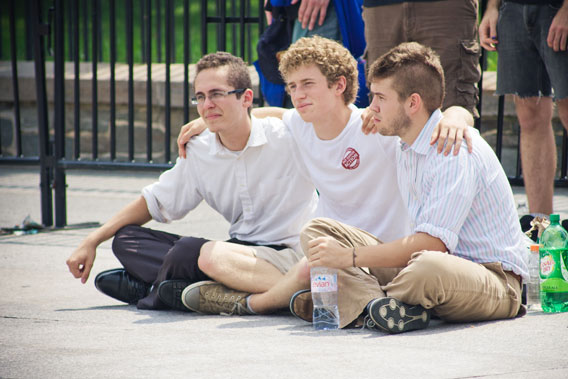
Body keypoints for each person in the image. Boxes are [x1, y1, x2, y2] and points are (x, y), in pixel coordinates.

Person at [177, 36, 476, 317]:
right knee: (211, 256)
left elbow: (422, 121)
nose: (298, 94)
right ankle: (303, 298)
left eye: (307, 83)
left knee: (311, 262)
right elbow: (273, 114)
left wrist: (458, 114)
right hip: (331, 256)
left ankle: (248, 303)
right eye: (292, 86)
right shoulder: (300, 124)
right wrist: (208, 120)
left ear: (339, 85)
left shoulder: (376, 127)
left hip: (381, 256)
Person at [296, 42, 528, 333]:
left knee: (427, 267)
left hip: (493, 281)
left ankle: (361, 302)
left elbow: (433, 245)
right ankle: (378, 307)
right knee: (317, 232)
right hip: (426, 266)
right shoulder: (401, 142)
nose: (372, 107)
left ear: (413, 103)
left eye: (381, 97)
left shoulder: (452, 149)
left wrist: (349, 258)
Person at [65, 52, 318, 312]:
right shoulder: (200, 149)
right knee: (127, 240)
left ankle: (153, 290)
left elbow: (311, 117)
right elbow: (154, 202)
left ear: (246, 97)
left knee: (188, 251)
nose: (207, 104)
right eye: (200, 97)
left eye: (217, 94)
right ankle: (188, 289)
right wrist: (92, 240)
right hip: (235, 253)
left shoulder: (287, 137)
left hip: (286, 256)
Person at [479, 0, 568, 231]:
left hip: (558, 8)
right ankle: (542, 227)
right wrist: (492, 8)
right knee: (529, 115)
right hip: (513, 9)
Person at [362, 0, 481, 117]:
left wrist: (492, 7)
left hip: (447, 7)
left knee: (453, 112)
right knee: (382, 112)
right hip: (379, 7)